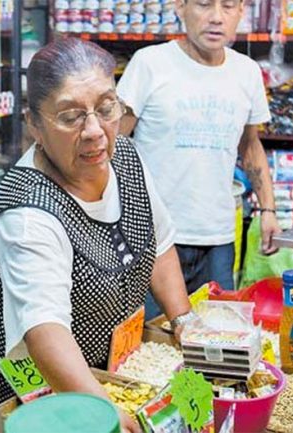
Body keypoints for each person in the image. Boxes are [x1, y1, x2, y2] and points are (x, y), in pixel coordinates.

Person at [0, 38, 195, 432]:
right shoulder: (28, 212)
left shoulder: (126, 158)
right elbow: (44, 332)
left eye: (106, 107)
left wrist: (184, 323)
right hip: (22, 400)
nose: (95, 131)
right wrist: (105, 413)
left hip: (102, 372)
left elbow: (159, 243)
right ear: (34, 124)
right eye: (70, 117)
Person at [117, 0, 282, 302]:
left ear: (241, 12)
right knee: (153, 342)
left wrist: (268, 210)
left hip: (218, 237)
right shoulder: (149, 64)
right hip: (154, 237)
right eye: (204, 5)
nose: (216, 18)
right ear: (180, 7)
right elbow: (114, 142)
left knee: (215, 336)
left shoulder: (246, 72)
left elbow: (250, 144)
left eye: (229, 7)